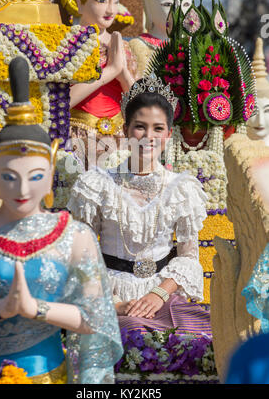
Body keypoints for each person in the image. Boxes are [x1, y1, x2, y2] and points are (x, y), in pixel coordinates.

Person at [0, 57, 122, 384]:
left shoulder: (74, 235)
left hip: (49, 376)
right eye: (9, 177)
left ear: (52, 171)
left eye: (35, 176)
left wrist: (36, 308)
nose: (22, 189)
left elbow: (95, 319)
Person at [68, 74, 212, 336]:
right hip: (108, 294)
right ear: (125, 131)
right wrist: (117, 304)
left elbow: (189, 257)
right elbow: (83, 258)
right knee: (130, 333)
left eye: (158, 128)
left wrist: (159, 294)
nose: (148, 136)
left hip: (161, 294)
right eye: (140, 127)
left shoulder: (182, 188)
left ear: (169, 134)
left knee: (199, 334)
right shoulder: (96, 185)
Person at [68, 0, 138, 169]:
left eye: (115, 0)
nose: (111, 10)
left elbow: (138, 106)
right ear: (79, 1)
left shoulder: (122, 45)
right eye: (101, 0)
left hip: (117, 138)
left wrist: (124, 75)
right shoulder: (68, 43)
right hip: (77, 135)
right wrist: (109, 72)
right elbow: (59, 103)